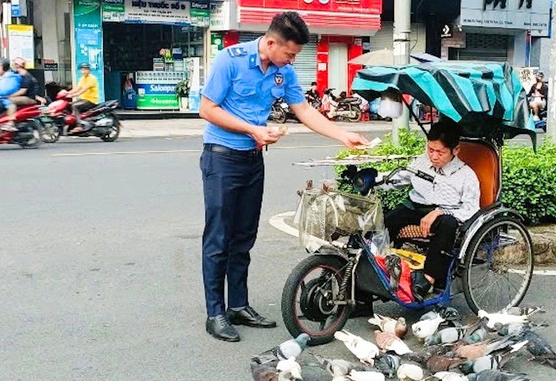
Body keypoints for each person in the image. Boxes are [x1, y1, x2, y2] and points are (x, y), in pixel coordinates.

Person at [198, 11, 368, 342]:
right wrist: (253, 129)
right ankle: (215, 313)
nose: (291, 61)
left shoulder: (282, 72)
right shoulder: (229, 61)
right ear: (272, 42)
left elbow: (303, 110)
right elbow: (207, 109)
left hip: (252, 159)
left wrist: (342, 135)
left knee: (244, 237)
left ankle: (239, 306)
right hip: (222, 158)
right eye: (289, 54)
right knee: (219, 238)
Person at [382, 122, 480, 302]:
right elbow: (398, 179)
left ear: (455, 150)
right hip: (415, 207)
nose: (434, 156)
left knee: (448, 224)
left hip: (446, 215)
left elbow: (471, 210)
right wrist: (374, 179)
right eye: (431, 150)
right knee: (382, 223)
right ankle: (379, 274)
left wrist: (440, 211)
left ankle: (427, 280)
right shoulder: (421, 162)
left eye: (440, 152)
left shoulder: (466, 175)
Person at [2, 57, 45, 132]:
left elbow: (23, 91)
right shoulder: (19, 76)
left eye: (15, 64)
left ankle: (10, 123)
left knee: (10, 101)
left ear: (18, 66)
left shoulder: (26, 76)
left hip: (29, 99)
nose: (13, 66)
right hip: (27, 97)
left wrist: (9, 96)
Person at [65, 62, 99, 133]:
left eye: (86, 69)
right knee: (68, 105)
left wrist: (74, 95)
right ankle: (72, 124)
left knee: (75, 106)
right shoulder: (82, 79)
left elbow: (84, 89)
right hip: (83, 99)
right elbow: (77, 88)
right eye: (83, 69)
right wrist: (67, 93)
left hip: (91, 100)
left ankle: (79, 126)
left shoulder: (92, 79)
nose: (84, 71)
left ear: (89, 70)